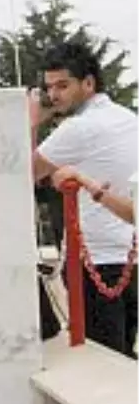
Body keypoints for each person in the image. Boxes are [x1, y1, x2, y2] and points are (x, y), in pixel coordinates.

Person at [32, 40, 139, 356]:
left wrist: (31, 121)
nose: (53, 95)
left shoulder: (79, 128)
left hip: (99, 261)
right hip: (130, 254)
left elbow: (21, 173)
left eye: (63, 85)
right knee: (125, 362)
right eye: (49, 87)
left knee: (102, 363)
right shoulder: (129, 119)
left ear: (88, 83)